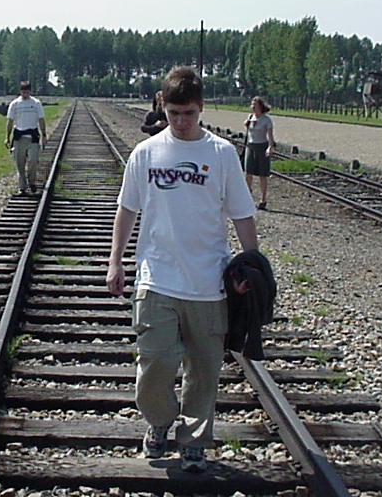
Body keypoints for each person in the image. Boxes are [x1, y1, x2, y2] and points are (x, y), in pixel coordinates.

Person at [106, 67, 258, 473]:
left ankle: (193, 440)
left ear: (201, 108)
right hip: (157, 278)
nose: (181, 121)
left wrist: (253, 268)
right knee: (154, 363)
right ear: (162, 105)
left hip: (209, 284)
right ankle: (159, 420)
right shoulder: (147, 153)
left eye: (188, 113)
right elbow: (127, 208)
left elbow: (243, 215)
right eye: (173, 113)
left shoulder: (222, 154)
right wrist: (115, 259)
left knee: (203, 372)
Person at [4, 81, 48, 195]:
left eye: (27, 92)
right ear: (20, 91)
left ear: (30, 91)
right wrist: (7, 137)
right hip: (19, 137)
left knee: (33, 161)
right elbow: (10, 121)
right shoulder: (15, 104)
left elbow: (41, 119)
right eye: (23, 92)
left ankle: (32, 182)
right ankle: (22, 187)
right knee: (20, 163)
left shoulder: (36, 103)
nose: (25, 94)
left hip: (32, 136)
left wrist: (44, 135)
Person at [243, 96, 275, 210]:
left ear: (260, 106)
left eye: (255, 105)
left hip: (262, 146)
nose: (252, 107)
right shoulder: (250, 117)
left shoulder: (266, 120)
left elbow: (270, 136)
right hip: (250, 146)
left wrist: (270, 147)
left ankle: (263, 199)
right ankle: (247, 196)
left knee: (263, 174)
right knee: (248, 172)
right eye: (252, 104)